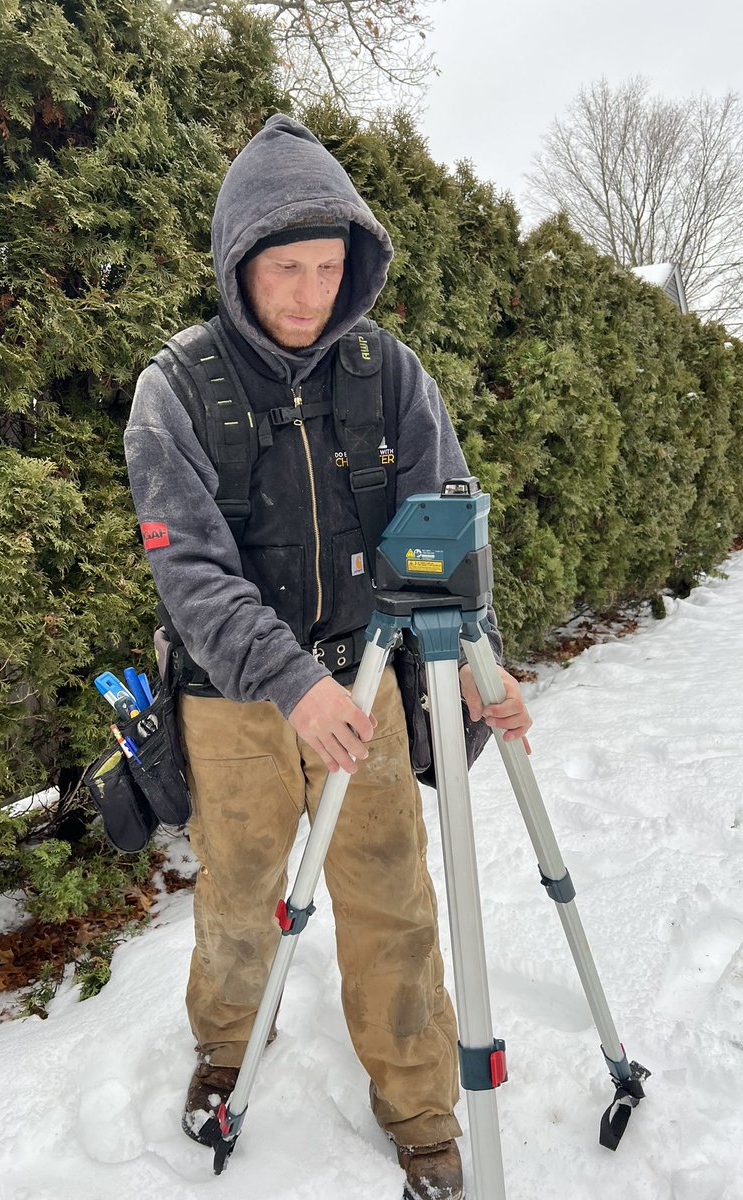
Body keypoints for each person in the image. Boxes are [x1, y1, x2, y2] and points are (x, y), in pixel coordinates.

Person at [124, 114, 532, 1200]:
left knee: (392, 896)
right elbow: (193, 573)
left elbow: (445, 537)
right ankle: (226, 1047)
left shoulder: (388, 374)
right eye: (285, 268)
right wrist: (287, 681)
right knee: (243, 893)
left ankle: (422, 1111)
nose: (309, 293)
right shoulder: (175, 389)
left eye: (328, 267)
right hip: (232, 697)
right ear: (238, 265)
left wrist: (488, 672)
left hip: (365, 683)